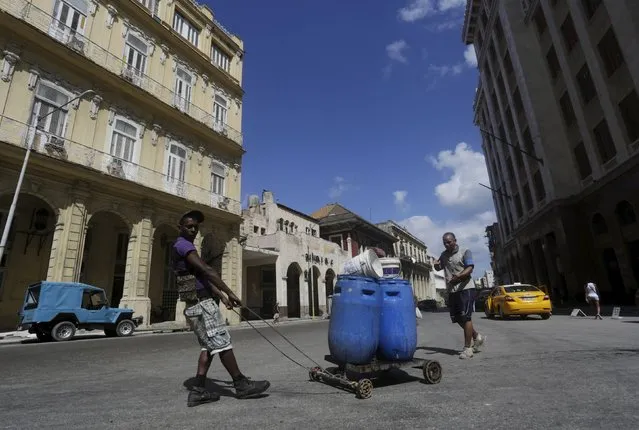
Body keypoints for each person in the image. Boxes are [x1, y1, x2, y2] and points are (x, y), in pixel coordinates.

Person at [173, 209, 270, 407]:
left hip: (199, 302)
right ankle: (241, 385)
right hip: (202, 304)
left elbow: (200, 280)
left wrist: (222, 296)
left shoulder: (187, 246)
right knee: (222, 341)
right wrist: (231, 292)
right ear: (180, 227)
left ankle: (198, 390)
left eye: (196, 227)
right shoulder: (183, 246)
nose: (193, 229)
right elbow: (207, 271)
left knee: (209, 346)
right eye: (189, 226)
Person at [434, 232, 485, 359]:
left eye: (449, 242)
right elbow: (439, 267)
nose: (447, 244)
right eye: (444, 242)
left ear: (455, 240)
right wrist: (435, 265)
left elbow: (470, 268)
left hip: (466, 288)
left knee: (466, 317)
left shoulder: (465, 251)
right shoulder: (443, 255)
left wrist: (460, 276)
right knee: (458, 318)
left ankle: (468, 349)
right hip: (452, 290)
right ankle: (476, 336)